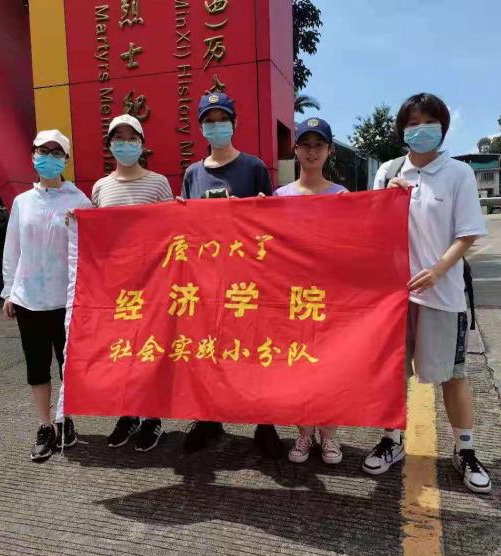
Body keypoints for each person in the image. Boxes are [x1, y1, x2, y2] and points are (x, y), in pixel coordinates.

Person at [362, 93, 492, 494]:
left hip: (442, 293)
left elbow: (467, 234)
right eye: (413, 123)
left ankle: (465, 450)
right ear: (402, 130)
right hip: (394, 297)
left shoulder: (457, 173)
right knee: (392, 374)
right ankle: (392, 439)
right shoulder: (388, 171)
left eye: (428, 122)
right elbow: (369, 227)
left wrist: (437, 270)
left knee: (453, 375)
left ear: (442, 128)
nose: (420, 130)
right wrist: (386, 198)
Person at [179, 92, 282, 458]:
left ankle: (265, 422)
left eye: (223, 119)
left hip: (247, 281)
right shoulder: (193, 173)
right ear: (201, 128)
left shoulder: (253, 167)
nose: (216, 126)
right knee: (207, 352)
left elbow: (272, 224)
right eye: (209, 121)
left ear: (235, 123)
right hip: (206, 281)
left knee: (254, 352)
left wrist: (250, 212)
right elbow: (184, 228)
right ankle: (208, 418)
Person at [1, 129, 91, 462]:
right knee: (37, 367)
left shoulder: (80, 201)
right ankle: (44, 426)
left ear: (66, 160)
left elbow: (91, 250)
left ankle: (66, 420)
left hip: (67, 300)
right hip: (29, 299)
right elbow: (13, 249)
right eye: (43, 151)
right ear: (32, 155)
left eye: (56, 153)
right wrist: (9, 290)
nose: (48, 158)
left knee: (69, 367)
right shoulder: (23, 202)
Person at [95, 114, 175, 452]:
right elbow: (97, 238)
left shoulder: (158, 184)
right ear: (109, 144)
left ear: (142, 145)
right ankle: (128, 414)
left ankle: (153, 417)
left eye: (132, 138)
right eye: (119, 138)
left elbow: (172, 232)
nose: (125, 144)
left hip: (153, 284)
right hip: (117, 288)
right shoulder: (101, 187)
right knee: (123, 353)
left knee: (151, 351)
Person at [272, 117, 347, 465]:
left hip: (330, 297)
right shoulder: (280, 197)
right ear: (296, 150)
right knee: (298, 366)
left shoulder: (342, 196)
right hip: (293, 298)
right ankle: (303, 433)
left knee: (330, 367)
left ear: (329, 150)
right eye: (306, 144)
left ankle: (329, 435)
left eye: (319, 145)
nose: (312, 151)